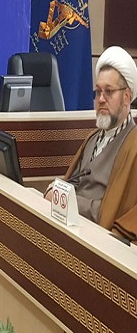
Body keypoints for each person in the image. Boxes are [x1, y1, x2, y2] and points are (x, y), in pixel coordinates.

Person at [53, 46, 137, 239]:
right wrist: (57, 191)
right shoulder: (93, 138)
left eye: (109, 92)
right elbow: (72, 182)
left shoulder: (133, 147)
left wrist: (67, 200)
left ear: (126, 97)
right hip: (70, 227)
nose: (101, 99)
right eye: (98, 92)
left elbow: (113, 213)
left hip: (99, 240)